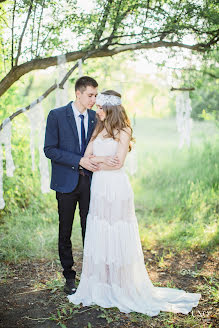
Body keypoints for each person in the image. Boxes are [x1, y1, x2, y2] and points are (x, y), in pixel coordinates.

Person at [68, 90, 201, 316]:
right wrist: (100, 159)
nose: (96, 110)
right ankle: (104, 284)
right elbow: (87, 157)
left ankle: (122, 284)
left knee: (117, 231)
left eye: (100, 107)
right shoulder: (98, 129)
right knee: (102, 230)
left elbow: (118, 163)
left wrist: (99, 161)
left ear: (110, 109)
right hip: (99, 187)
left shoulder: (124, 130)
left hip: (117, 188)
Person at [44, 77, 118, 295]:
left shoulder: (97, 117)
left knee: (91, 229)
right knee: (65, 231)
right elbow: (50, 150)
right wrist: (79, 160)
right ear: (78, 93)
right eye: (90, 95)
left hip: (91, 183)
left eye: (96, 96)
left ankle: (91, 275)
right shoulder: (56, 115)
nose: (94, 100)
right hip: (65, 183)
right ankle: (69, 277)